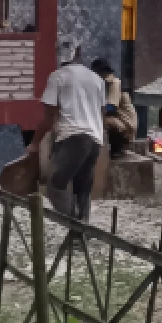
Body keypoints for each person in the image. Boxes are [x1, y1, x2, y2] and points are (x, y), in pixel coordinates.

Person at [27, 37, 106, 221]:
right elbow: (101, 113)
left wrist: (35, 143)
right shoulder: (97, 79)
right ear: (79, 53)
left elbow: (49, 117)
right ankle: (82, 229)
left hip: (73, 138)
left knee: (56, 186)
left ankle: (76, 225)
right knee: (82, 187)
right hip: (94, 139)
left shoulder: (58, 77)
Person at [91, 58, 138, 158]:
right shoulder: (102, 85)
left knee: (103, 120)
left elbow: (111, 108)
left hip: (126, 127)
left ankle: (117, 149)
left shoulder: (114, 83)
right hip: (119, 124)